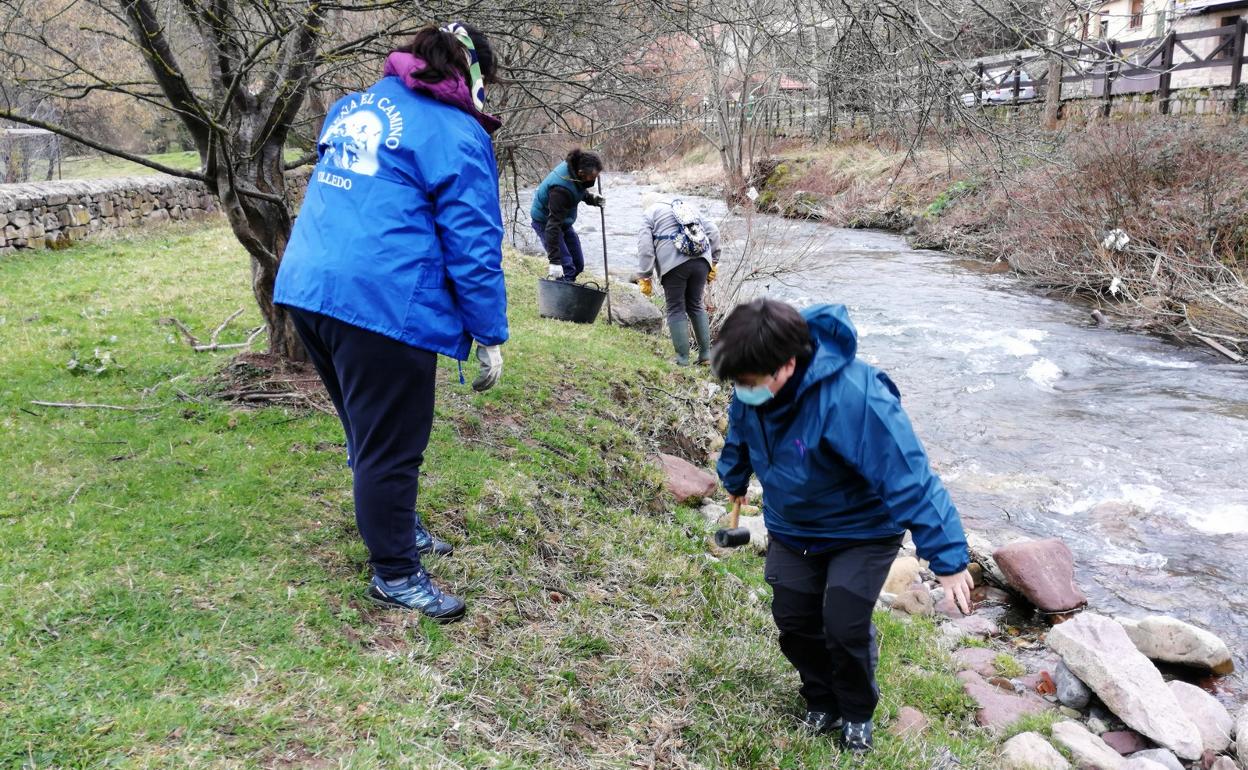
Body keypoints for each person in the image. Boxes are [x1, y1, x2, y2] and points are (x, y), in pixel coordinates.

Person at [273, 23, 509, 623]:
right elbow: (474, 243)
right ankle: (395, 573)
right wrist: (489, 333)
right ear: (472, 74)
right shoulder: (455, 133)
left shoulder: (352, 106)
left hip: (310, 287)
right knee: (391, 446)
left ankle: (397, 527)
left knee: (365, 429)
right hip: (382, 301)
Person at [712, 299, 973, 752]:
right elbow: (741, 431)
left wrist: (948, 559)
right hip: (793, 526)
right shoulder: (752, 382)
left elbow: (910, 478)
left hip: (862, 530)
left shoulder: (857, 396)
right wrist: (734, 476)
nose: (743, 390)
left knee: (844, 625)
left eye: (751, 383)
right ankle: (820, 699)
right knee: (793, 621)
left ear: (788, 364)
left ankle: (855, 712)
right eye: (738, 383)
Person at [636, 191, 721, 366]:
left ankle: (682, 359)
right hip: (701, 260)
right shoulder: (686, 206)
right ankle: (706, 355)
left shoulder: (649, 213)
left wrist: (645, 275)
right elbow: (713, 230)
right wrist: (714, 260)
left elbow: (645, 247)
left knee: (675, 308)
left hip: (674, 263)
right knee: (696, 304)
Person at [531, 148, 605, 282]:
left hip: (563, 221)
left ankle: (567, 290)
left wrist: (591, 198)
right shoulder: (560, 190)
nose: (594, 180)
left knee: (577, 264)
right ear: (581, 173)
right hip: (546, 222)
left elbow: (578, 189)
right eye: (593, 177)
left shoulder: (576, 169)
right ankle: (561, 300)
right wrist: (554, 261)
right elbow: (552, 226)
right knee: (566, 268)